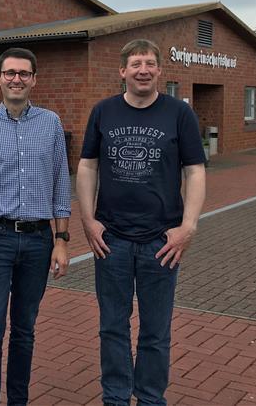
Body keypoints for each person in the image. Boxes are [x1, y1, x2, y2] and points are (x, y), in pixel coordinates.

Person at [77, 39, 206, 406]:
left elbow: (194, 171)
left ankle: (150, 399)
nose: (143, 70)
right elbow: (88, 165)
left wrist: (189, 226)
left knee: (155, 331)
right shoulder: (103, 112)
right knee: (113, 327)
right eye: (135, 64)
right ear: (123, 72)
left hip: (161, 242)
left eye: (149, 63)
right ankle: (115, 398)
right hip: (111, 239)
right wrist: (88, 220)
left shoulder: (179, 114)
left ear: (160, 70)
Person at [0, 47, 71, 405]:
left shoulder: (51, 123)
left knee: (24, 331)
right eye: (10, 73)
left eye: (23, 73)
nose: (16, 79)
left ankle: (17, 400)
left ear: (34, 79)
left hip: (38, 242)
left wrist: (62, 240)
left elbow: (60, 184)